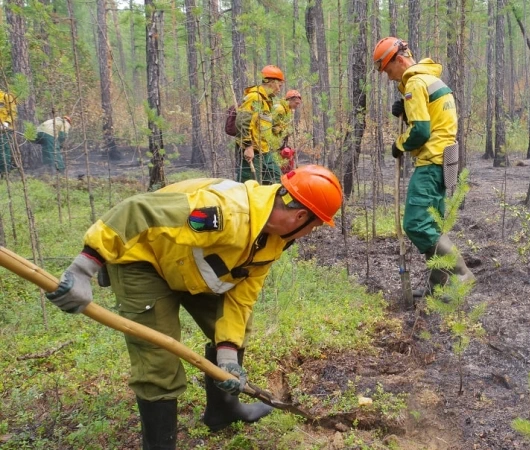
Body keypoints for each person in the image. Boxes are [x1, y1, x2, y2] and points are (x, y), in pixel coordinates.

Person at [45, 165, 343, 449]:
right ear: (301, 216)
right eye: (314, 227)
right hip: (145, 262)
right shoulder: (226, 212)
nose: (310, 233)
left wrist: (226, 355)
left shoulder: (273, 240)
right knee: (159, 360)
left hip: (189, 269)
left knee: (234, 331)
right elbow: (136, 211)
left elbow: (242, 296)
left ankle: (222, 412)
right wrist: (84, 268)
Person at [373, 36, 474, 296]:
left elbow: (420, 131)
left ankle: (461, 275)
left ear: (399, 59)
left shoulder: (415, 83)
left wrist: (399, 144)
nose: (388, 77)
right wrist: (406, 112)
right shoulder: (429, 79)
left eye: (387, 70)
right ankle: (439, 284)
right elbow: (434, 119)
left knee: (417, 224)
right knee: (433, 223)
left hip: (431, 162)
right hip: (445, 158)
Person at [236, 65, 285, 185]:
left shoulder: (267, 101)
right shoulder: (254, 97)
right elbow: (242, 122)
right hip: (252, 151)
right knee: (250, 186)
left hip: (265, 151)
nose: (279, 89)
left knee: (277, 181)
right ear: (271, 82)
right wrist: (248, 147)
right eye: (279, 85)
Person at [272, 89, 302, 173]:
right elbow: (273, 129)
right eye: (296, 103)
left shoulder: (288, 110)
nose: (297, 106)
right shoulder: (279, 109)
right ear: (289, 100)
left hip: (280, 144)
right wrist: (285, 130)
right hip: (273, 146)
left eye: (299, 103)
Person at [0, 89, 18, 175]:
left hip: (4, 131)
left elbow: (13, 112)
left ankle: (4, 173)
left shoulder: (6, 96)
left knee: (4, 152)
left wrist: (6, 123)